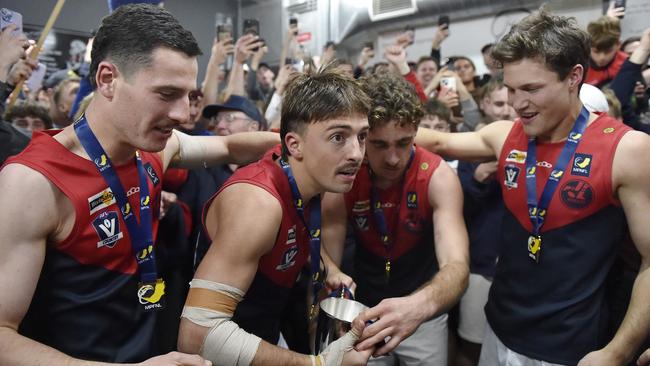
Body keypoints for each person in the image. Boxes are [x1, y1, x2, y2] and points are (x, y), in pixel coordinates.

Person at [0, 4, 278, 365]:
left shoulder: (153, 149)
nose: (181, 114)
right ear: (107, 79)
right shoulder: (33, 182)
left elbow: (227, 146)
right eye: (166, 94)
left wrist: (299, 143)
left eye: (188, 97)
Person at [394, 9, 650, 365]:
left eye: (531, 89)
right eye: (511, 89)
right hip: (498, 331)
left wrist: (617, 352)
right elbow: (433, 141)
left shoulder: (627, 150)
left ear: (575, 76)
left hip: (569, 349)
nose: (517, 104)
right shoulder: (506, 135)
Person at [177, 64, 373, 366]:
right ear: (295, 145)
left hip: (263, 335)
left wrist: (329, 267)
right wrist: (317, 365)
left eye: (362, 137)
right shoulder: (257, 204)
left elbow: (294, 229)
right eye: (338, 137)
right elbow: (198, 334)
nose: (356, 153)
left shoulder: (309, 176)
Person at [321, 72, 469, 365]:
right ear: (363, 137)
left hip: (424, 310)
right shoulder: (348, 175)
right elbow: (329, 254)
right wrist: (334, 284)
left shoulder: (437, 176)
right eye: (379, 145)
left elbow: (457, 266)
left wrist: (418, 307)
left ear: (416, 132)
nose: (392, 158)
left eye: (403, 143)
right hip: (365, 312)